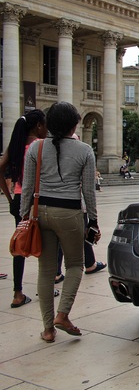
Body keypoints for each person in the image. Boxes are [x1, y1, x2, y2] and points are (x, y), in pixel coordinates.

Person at [20, 102, 99, 343]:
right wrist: (93, 220)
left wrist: (24, 216)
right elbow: (88, 190)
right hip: (69, 212)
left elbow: (27, 187)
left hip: (40, 211)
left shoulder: (36, 148)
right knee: (75, 265)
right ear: (74, 124)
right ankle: (62, 315)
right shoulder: (84, 150)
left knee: (46, 271)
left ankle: (47, 329)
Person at [0, 110, 48, 307]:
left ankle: (17, 292)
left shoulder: (16, 146)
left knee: (21, 243)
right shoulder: (40, 146)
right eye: (45, 124)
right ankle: (43, 287)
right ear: (38, 126)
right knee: (44, 244)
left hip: (19, 199)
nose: (47, 128)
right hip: (39, 199)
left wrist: (10, 195)